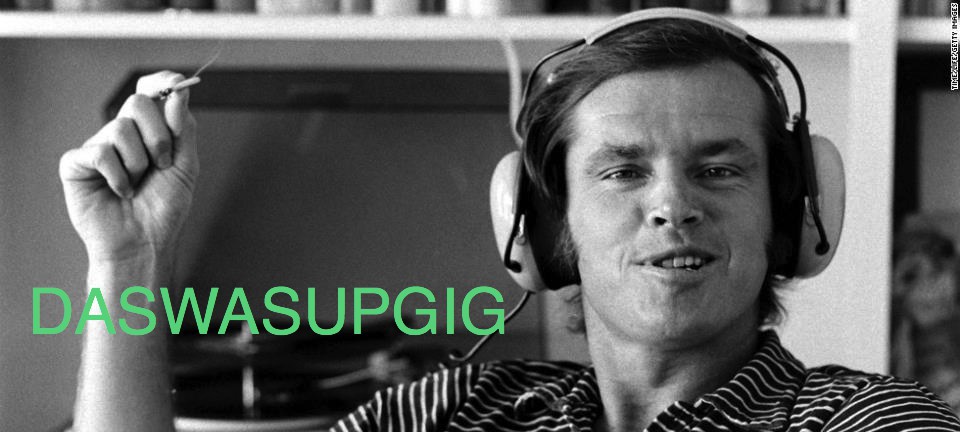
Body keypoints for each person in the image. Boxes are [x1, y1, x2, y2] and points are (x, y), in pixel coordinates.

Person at [59, 9, 960, 432]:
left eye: (720, 169)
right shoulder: (438, 413)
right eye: (622, 171)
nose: (673, 204)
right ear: (542, 224)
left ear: (791, 212)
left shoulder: (875, 426)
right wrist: (128, 262)